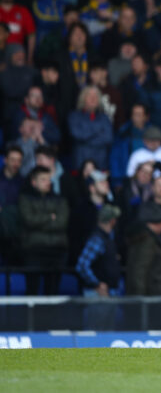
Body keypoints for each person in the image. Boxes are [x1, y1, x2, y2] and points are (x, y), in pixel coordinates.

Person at [18, 166, 69, 295]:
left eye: (49, 179)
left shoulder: (60, 199)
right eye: (43, 179)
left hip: (56, 252)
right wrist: (50, 217)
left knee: (52, 294)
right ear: (33, 182)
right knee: (32, 292)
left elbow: (62, 223)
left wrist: (40, 220)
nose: (48, 182)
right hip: (34, 251)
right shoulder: (25, 198)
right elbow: (29, 220)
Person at [75, 204, 121, 297]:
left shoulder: (108, 237)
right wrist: (97, 284)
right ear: (112, 221)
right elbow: (82, 265)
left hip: (109, 292)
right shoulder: (97, 239)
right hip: (97, 294)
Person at [126, 126, 161, 201]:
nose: (153, 143)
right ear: (144, 141)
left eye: (156, 140)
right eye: (150, 140)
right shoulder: (137, 155)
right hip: (143, 195)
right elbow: (130, 175)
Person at [125, 210, 161, 295]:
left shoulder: (145, 239)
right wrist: (140, 299)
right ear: (154, 224)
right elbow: (140, 270)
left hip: (151, 292)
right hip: (150, 294)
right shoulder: (147, 242)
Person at [67, 86, 114, 171]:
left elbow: (108, 138)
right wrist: (98, 130)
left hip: (101, 163)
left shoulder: (105, 118)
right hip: (80, 163)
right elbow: (78, 135)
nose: (93, 98)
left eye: (96, 96)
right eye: (89, 95)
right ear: (83, 98)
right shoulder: (74, 116)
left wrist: (87, 138)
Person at [0, 0, 35, 64]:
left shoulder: (23, 11)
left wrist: (30, 58)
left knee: (18, 51)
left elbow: (31, 35)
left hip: (16, 50)